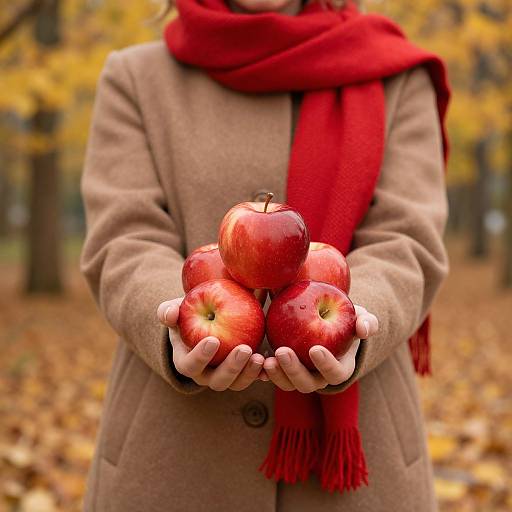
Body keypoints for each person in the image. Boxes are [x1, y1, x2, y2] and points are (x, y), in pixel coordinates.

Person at [79, 0, 450, 510]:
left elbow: (409, 239)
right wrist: (176, 322)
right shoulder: (136, 77)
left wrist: (350, 326)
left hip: (361, 465)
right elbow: (122, 238)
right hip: (174, 456)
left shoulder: (397, 75)